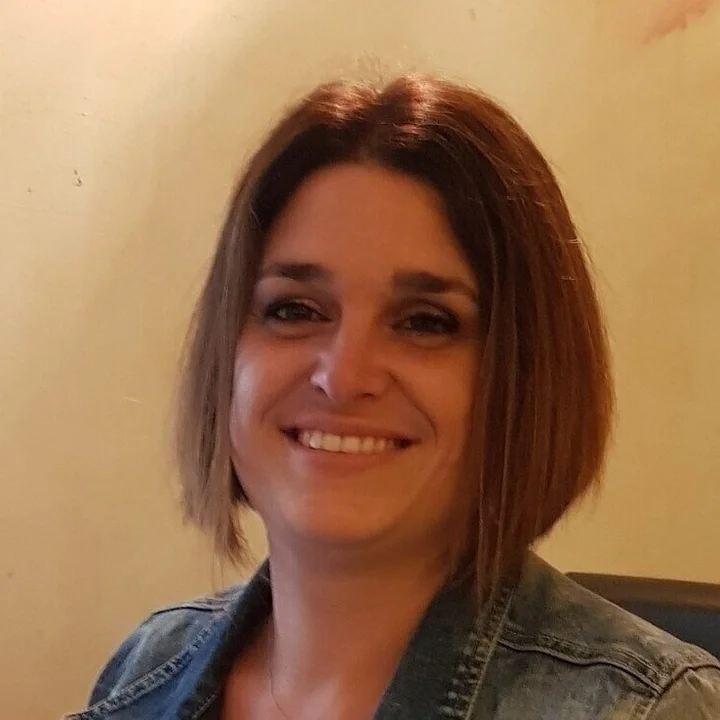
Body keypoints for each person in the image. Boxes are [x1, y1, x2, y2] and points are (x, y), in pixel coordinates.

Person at [65, 75, 720, 719]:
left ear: (525, 377)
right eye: (294, 310)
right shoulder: (147, 667)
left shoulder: (647, 709)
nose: (344, 376)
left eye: (425, 322)